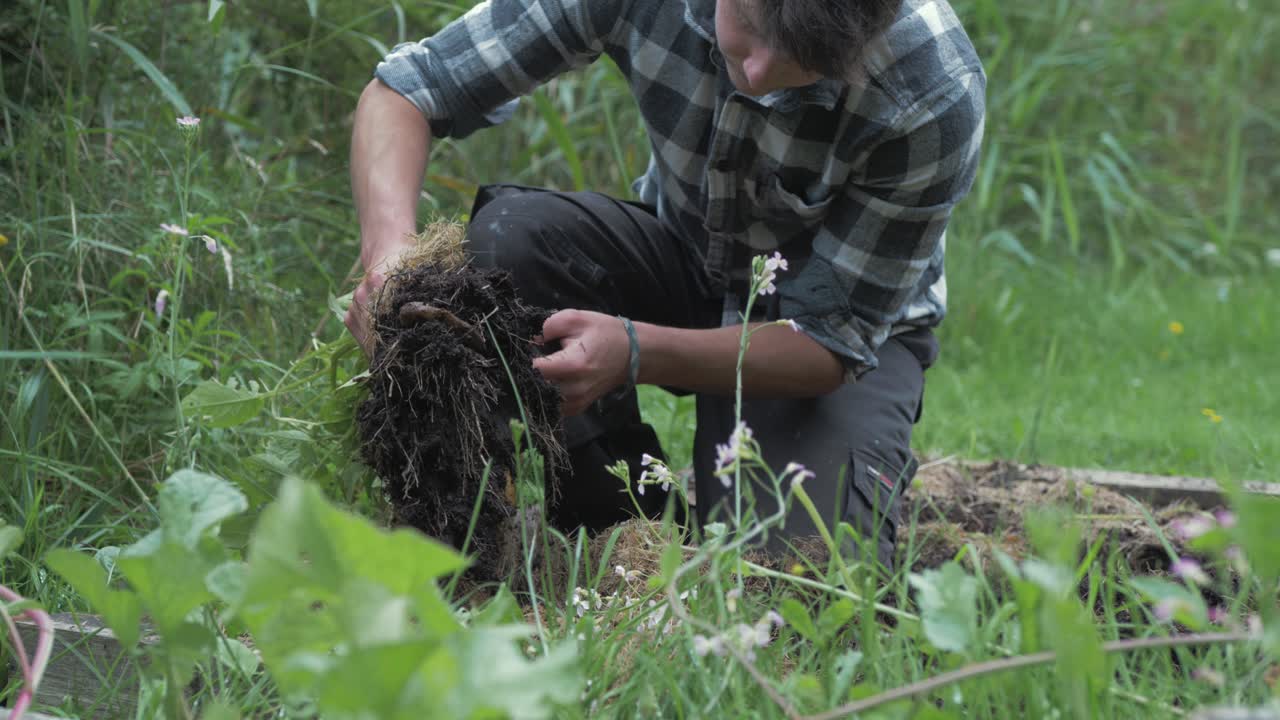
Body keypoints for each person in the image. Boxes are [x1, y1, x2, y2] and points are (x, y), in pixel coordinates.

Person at [344, 0, 986, 569]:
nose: (758, 71)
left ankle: (742, 525)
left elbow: (827, 340)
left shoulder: (929, 88)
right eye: (751, 25)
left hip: (822, 337)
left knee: (804, 577)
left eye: (801, 59)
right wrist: (391, 260)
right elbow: (407, 90)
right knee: (511, 242)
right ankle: (619, 527)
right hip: (685, 256)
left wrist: (634, 350)